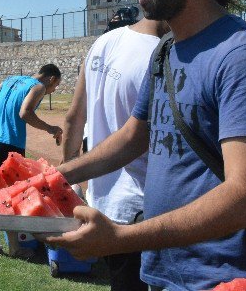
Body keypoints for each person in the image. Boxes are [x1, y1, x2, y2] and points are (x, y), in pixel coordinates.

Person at [46, 0, 246, 290]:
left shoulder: (243, 57)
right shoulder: (167, 50)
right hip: (160, 273)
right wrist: (52, 178)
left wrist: (123, 238)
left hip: (222, 277)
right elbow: (134, 136)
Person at [62, 17, 167, 291]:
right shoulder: (163, 53)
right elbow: (137, 138)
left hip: (102, 202)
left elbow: (74, 118)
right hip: (142, 211)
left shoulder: (103, 42)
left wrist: (65, 179)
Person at [0, 64, 63, 258]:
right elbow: (25, 113)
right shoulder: (38, 87)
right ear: (51, 78)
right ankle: (15, 248)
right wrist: (51, 129)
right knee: (11, 194)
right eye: (55, 86)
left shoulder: (10, 80)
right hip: (9, 145)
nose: (53, 90)